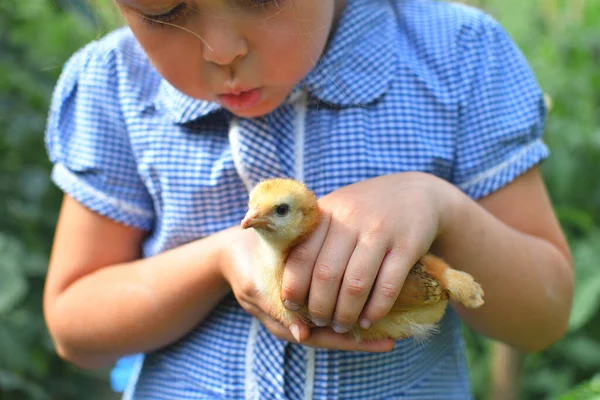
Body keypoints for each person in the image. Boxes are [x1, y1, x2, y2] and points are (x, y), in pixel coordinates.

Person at [43, 0, 574, 398]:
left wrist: (443, 209)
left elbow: (542, 317)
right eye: (164, 12)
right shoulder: (116, 85)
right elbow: (75, 327)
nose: (221, 50)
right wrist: (216, 260)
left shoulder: (458, 56)